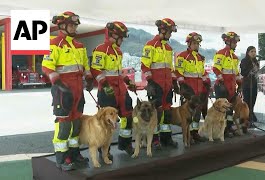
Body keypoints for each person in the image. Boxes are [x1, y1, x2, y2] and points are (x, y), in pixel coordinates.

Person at [42, 11, 93, 171]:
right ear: (62, 26)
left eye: (75, 25)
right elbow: (47, 66)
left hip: (78, 89)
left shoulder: (79, 45)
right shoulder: (54, 43)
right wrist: (58, 82)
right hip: (63, 90)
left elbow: (85, 65)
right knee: (64, 125)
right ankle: (62, 158)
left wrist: (89, 77)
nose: (74, 27)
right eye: (71, 24)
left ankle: (74, 153)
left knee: (76, 123)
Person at [91, 21, 136, 156]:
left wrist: (128, 81)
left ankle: (125, 144)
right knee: (106, 122)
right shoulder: (100, 49)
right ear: (113, 35)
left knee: (128, 117)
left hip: (121, 90)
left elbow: (118, 71)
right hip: (107, 90)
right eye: (121, 38)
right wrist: (104, 85)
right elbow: (95, 69)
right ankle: (104, 151)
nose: (122, 41)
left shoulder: (118, 51)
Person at [141, 18, 178, 148]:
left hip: (167, 86)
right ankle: (154, 140)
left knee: (167, 112)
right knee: (155, 113)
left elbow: (170, 68)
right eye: (170, 32)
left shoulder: (168, 48)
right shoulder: (150, 45)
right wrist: (150, 82)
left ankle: (166, 138)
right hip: (156, 85)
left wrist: (174, 82)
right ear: (163, 30)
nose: (171, 34)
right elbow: (145, 66)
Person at [175, 32, 209, 143]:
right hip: (188, 91)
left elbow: (202, 73)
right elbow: (179, 72)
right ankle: (187, 136)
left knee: (197, 114)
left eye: (198, 44)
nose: (196, 45)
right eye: (194, 43)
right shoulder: (182, 56)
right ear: (189, 44)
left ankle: (194, 133)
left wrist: (207, 83)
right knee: (186, 115)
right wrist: (183, 87)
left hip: (199, 90)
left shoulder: (200, 58)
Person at [212, 32, 241, 137]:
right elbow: (216, 69)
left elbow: (236, 73)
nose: (236, 44)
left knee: (230, 110)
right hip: (222, 87)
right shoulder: (221, 53)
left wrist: (241, 83)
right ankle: (220, 130)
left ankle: (228, 128)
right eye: (234, 42)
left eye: (236, 42)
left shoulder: (235, 57)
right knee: (222, 110)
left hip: (232, 87)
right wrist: (221, 82)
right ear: (228, 42)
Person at [240, 46, 259, 123]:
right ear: (248, 52)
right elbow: (243, 72)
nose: (254, 53)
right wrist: (250, 71)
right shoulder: (244, 61)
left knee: (253, 101)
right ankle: (245, 118)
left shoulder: (256, 61)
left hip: (254, 83)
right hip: (247, 84)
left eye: (255, 51)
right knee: (247, 101)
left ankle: (251, 115)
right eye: (252, 51)